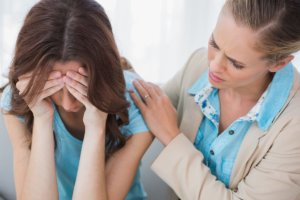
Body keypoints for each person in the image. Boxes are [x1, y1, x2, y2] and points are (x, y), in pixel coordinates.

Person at [131, 0, 300, 199]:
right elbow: (145, 110)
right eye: (214, 43)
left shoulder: (293, 126)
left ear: (278, 63)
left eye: (236, 63)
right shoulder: (198, 65)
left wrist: (171, 137)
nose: (214, 66)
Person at [0, 0, 153, 199]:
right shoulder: (19, 98)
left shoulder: (137, 102)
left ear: (102, 73)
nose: (68, 104)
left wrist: (96, 124)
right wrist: (42, 118)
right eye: (54, 87)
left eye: (79, 86)